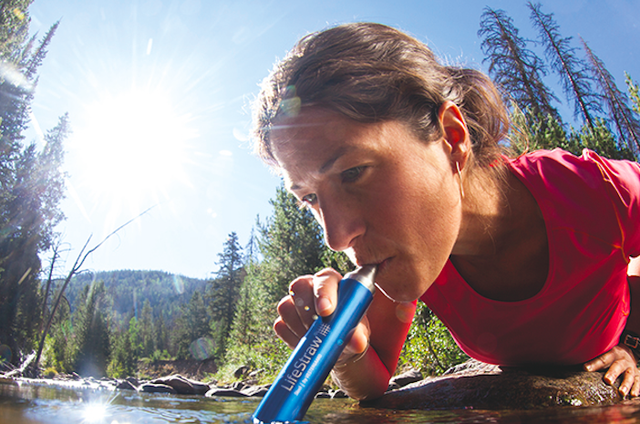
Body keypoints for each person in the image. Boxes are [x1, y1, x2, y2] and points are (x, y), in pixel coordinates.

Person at [251, 22, 640, 401]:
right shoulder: (411, 253)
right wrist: (346, 354)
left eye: (353, 172)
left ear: (452, 137)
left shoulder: (591, 191)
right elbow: (375, 381)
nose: (336, 237)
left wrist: (635, 345)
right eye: (311, 199)